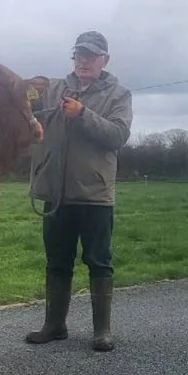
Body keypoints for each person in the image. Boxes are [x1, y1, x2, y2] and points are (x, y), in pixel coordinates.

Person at [25, 30, 133, 351]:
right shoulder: (55, 88)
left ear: (105, 60)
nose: (84, 61)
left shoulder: (119, 95)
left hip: (95, 194)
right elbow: (27, 107)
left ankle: (102, 331)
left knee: (99, 261)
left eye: (91, 56)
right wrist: (24, 90)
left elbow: (118, 135)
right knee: (57, 261)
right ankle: (54, 325)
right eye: (79, 55)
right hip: (55, 194)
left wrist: (82, 115)